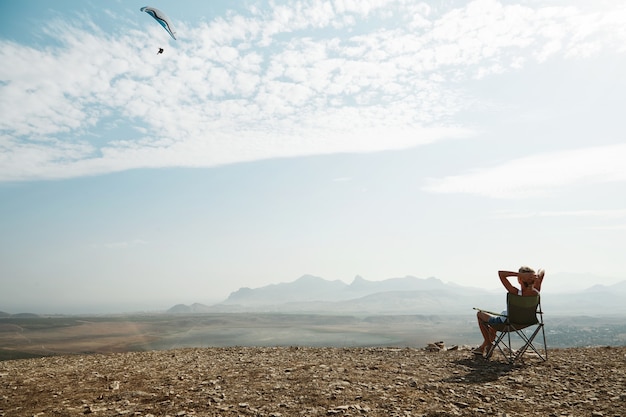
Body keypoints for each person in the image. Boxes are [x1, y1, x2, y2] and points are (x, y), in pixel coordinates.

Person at [474, 266, 545, 355]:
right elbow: (542, 270)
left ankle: (488, 343)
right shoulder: (536, 291)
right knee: (492, 329)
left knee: (479, 314)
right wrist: (536, 275)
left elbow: (501, 273)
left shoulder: (514, 292)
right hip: (526, 322)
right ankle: (483, 347)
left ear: (519, 280)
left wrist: (520, 274)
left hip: (506, 322)